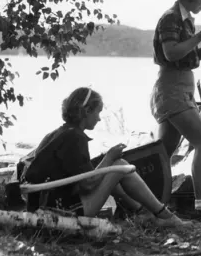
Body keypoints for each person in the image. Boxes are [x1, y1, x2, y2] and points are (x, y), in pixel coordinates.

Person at [23, 87, 185, 227]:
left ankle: (142, 213)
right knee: (119, 166)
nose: (99, 118)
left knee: (111, 170)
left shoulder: (57, 134)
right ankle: (165, 216)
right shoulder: (75, 138)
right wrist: (108, 158)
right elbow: (87, 185)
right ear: (87, 111)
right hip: (63, 211)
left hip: (45, 204)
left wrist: (106, 163)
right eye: (97, 112)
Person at [150, 0, 201, 221]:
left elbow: (182, 51)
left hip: (181, 88)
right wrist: (199, 38)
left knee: (164, 152)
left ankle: (152, 205)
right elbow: (170, 54)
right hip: (172, 89)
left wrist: (198, 51)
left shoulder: (186, 20)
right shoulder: (171, 18)